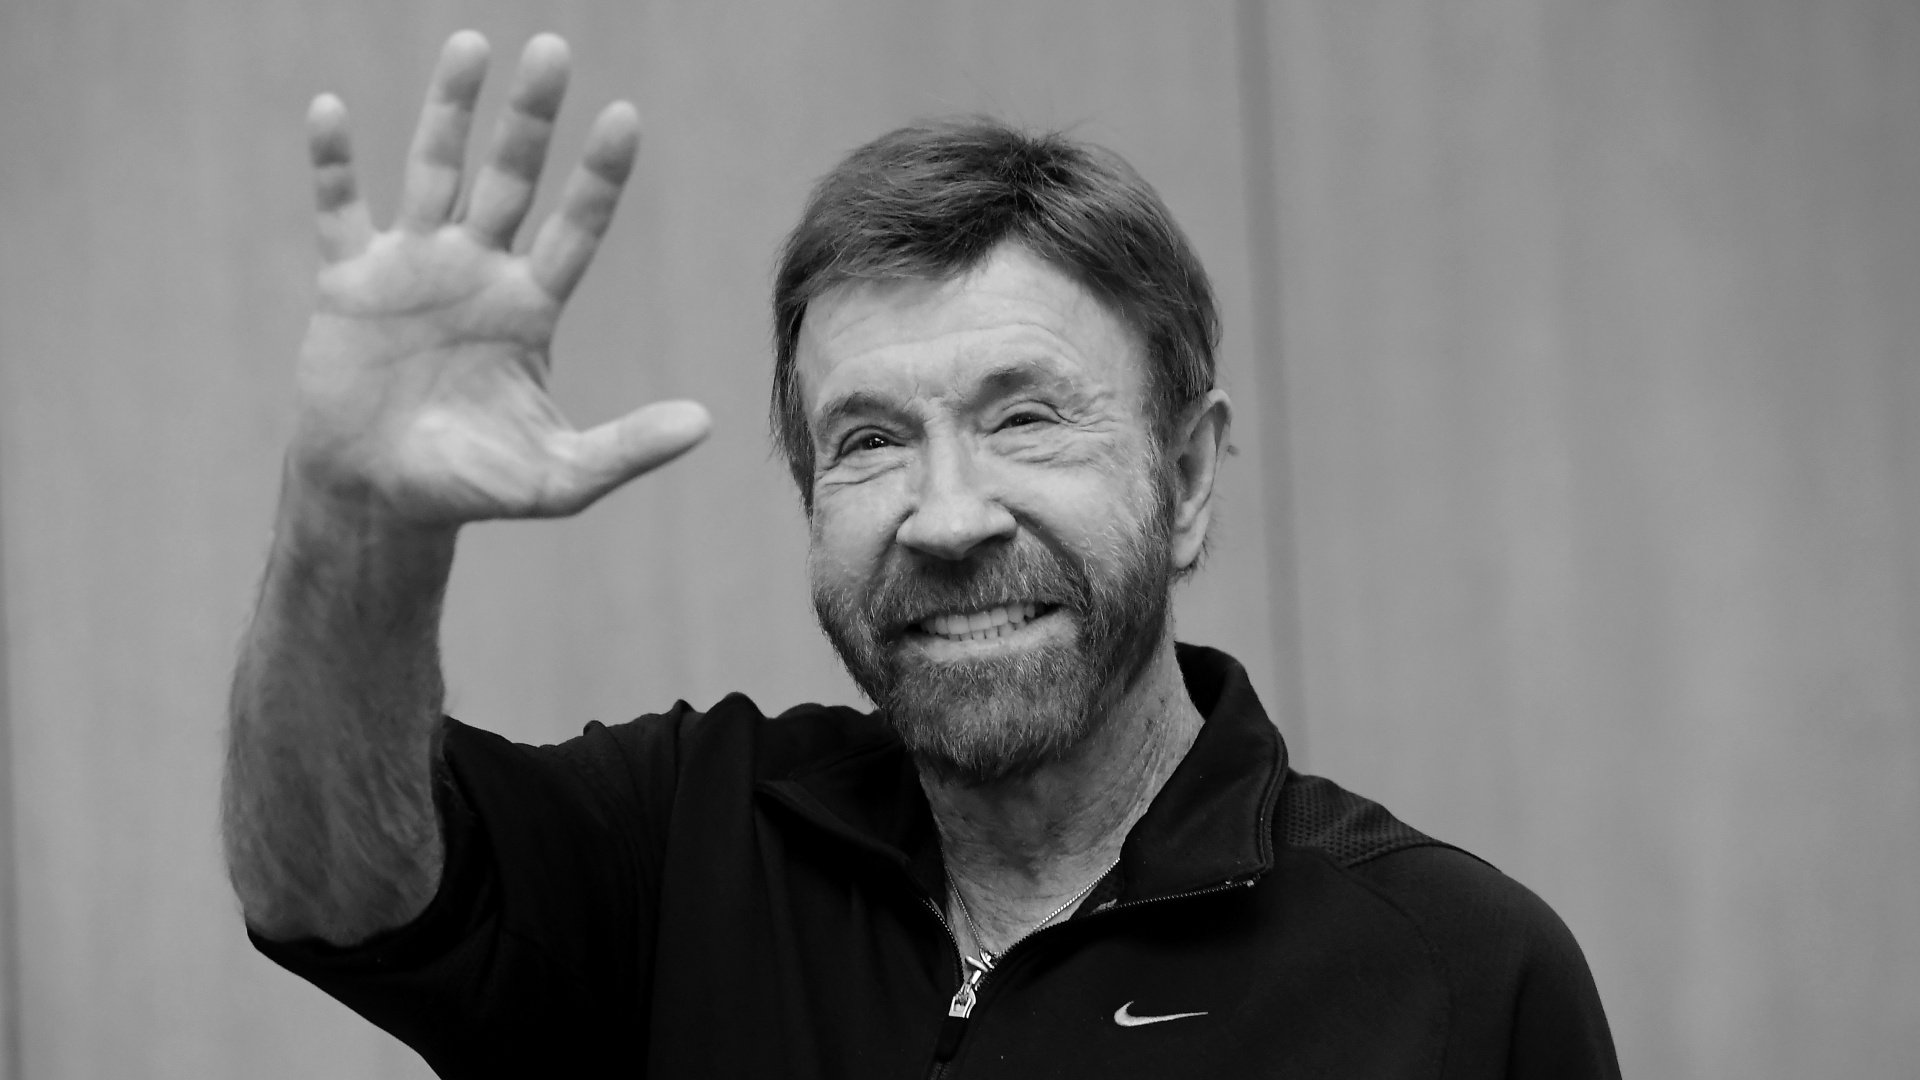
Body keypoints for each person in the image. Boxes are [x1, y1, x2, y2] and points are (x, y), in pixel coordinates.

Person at [224, 30, 1621, 1080]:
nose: (948, 517)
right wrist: (358, 521)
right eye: (871, 440)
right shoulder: (688, 848)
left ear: (1188, 477)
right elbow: (327, 883)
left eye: (1025, 418)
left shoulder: (1452, 973)